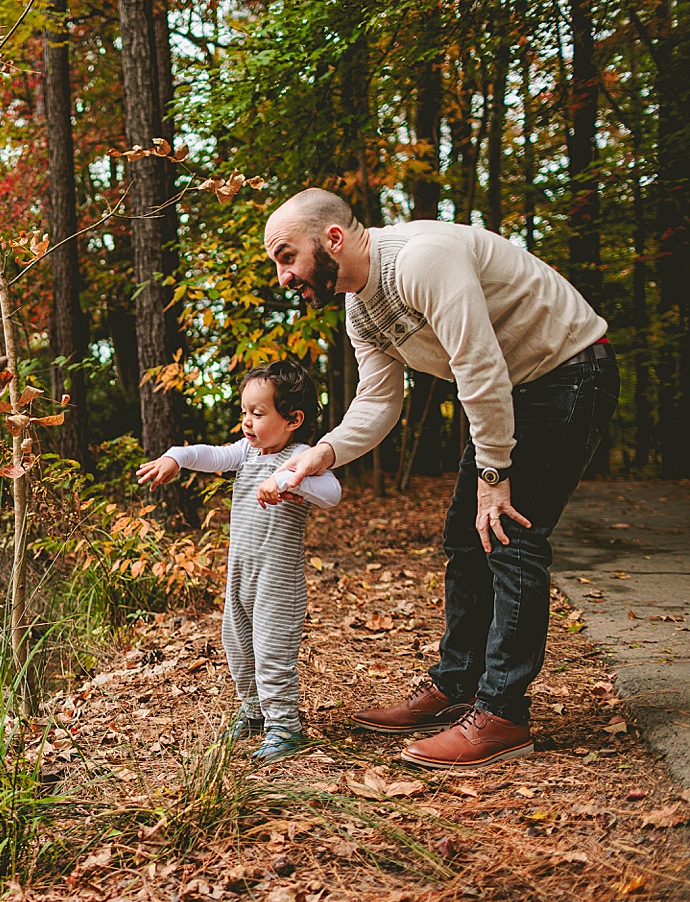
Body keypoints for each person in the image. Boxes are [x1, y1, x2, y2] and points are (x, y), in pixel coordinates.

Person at [260, 188, 619, 770]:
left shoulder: (420, 259)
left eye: (286, 255)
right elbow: (378, 400)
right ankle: (456, 685)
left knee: (511, 534)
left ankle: (502, 714)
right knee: (464, 535)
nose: (283, 275)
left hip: (568, 374)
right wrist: (320, 454)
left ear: (332, 239)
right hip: (513, 392)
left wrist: (494, 475)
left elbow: (477, 364)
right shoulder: (361, 306)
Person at [137, 361, 342, 761]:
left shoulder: (302, 458)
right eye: (244, 412)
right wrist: (176, 458)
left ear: (293, 419)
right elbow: (210, 455)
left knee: (271, 652)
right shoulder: (247, 452)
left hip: (278, 581)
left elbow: (332, 493)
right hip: (242, 575)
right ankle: (254, 715)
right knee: (237, 645)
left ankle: (285, 726)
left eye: (258, 413)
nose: (247, 422)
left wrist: (286, 480)